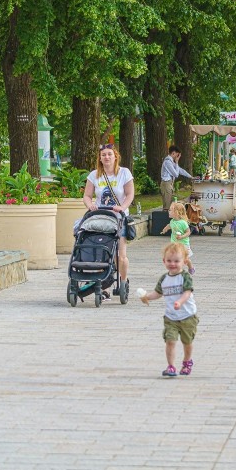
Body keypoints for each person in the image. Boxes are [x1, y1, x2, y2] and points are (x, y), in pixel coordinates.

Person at [83, 143, 134, 300]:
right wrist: (90, 205)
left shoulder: (124, 173)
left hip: (118, 218)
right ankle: (101, 284)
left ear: (115, 156)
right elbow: (87, 196)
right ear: (100, 157)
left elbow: (130, 194)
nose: (106, 157)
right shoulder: (94, 175)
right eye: (103, 154)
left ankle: (122, 282)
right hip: (100, 217)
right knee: (99, 250)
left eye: (109, 154)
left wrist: (122, 207)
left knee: (120, 254)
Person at [140, 243, 198, 377]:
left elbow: (187, 292)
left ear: (184, 262)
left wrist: (180, 301)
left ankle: (187, 361)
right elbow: (158, 293)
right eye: (169, 261)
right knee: (170, 341)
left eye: (177, 261)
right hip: (170, 317)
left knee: (187, 342)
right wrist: (147, 297)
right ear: (164, 261)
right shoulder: (164, 279)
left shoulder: (185, 277)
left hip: (187, 316)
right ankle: (171, 366)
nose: (173, 264)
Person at [160, 202, 195, 274]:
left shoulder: (183, 223)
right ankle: (177, 270)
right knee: (176, 257)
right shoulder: (172, 221)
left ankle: (190, 266)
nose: (168, 211)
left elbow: (188, 232)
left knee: (186, 259)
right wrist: (164, 230)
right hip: (174, 244)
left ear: (176, 212)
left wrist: (182, 236)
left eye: (170, 210)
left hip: (183, 244)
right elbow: (169, 225)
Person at [160, 145, 193, 210]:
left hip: (169, 184)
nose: (177, 157)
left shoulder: (171, 162)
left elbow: (180, 170)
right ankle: (165, 218)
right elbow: (176, 174)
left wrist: (191, 177)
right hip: (166, 184)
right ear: (173, 153)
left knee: (170, 204)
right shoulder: (167, 162)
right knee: (167, 205)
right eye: (177, 155)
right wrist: (177, 162)